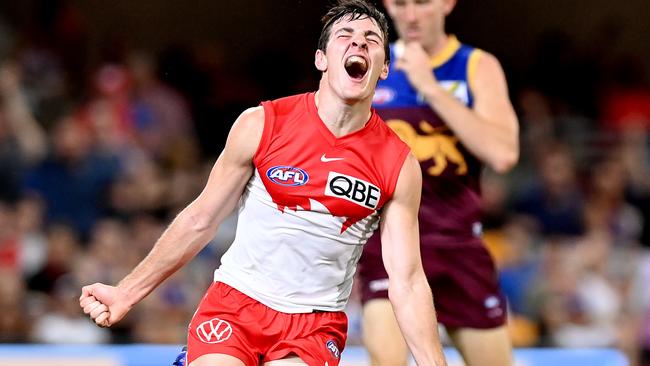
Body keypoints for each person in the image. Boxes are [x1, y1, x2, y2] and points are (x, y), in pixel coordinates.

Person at [79, 1, 448, 365]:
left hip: (314, 326)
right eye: (345, 35)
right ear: (321, 59)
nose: (359, 44)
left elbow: (408, 280)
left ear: (384, 68)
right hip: (235, 305)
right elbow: (200, 220)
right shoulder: (262, 123)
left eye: (371, 39)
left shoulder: (398, 164)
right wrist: (126, 292)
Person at [357, 0, 519, 366]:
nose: (411, 16)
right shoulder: (369, 64)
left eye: (422, 3)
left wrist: (429, 88)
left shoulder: (476, 66)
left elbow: (503, 153)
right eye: (401, 4)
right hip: (389, 246)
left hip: (458, 246)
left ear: (447, 3)